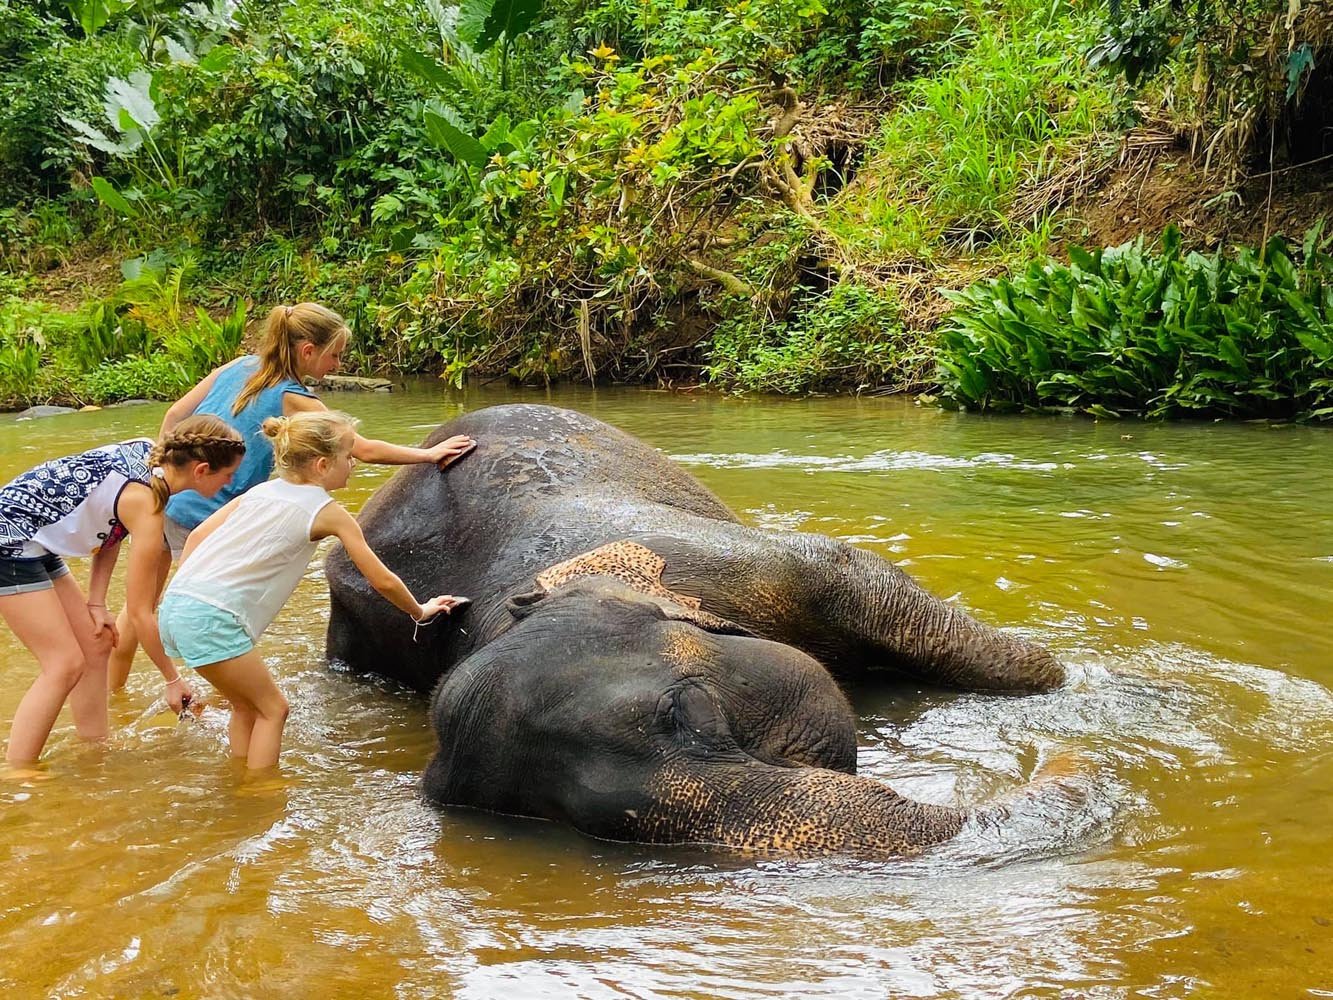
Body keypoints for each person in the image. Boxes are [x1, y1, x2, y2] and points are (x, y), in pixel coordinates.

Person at [109, 302, 474, 686]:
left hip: (168, 495)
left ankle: (113, 693)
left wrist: (164, 471)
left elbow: (173, 416)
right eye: (334, 355)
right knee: (225, 613)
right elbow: (360, 448)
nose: (337, 365)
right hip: (209, 512)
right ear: (308, 351)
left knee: (138, 608)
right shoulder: (294, 397)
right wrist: (428, 454)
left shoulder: (238, 366)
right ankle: (228, 693)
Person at [157, 410, 466, 770]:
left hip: (177, 607)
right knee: (274, 710)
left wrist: (188, 591)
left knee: (245, 706)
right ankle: (260, 793)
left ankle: (238, 780)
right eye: (348, 456)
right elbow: (380, 579)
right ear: (322, 465)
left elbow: (197, 536)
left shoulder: (261, 491)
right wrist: (420, 611)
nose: (353, 463)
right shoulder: (327, 511)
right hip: (212, 619)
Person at [1, 415, 246, 767]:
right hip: (10, 540)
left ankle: (95, 745)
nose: (231, 482)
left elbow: (109, 525)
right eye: (229, 474)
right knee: (63, 664)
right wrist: (172, 679)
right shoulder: (147, 504)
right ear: (202, 470)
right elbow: (140, 613)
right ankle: (19, 770)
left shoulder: (150, 458)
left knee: (97, 641)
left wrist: (96, 602)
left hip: (35, 538)